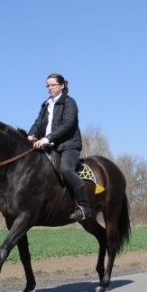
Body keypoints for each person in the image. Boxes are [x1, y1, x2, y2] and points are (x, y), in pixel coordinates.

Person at [28, 73, 91, 221]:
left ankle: (84, 206)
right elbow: (38, 123)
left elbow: (67, 125)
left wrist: (46, 138)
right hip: (50, 146)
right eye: (47, 86)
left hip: (68, 145)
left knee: (66, 169)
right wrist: (31, 134)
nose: (49, 88)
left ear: (62, 85)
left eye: (53, 85)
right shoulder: (45, 104)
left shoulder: (69, 103)